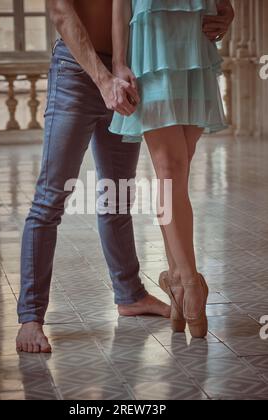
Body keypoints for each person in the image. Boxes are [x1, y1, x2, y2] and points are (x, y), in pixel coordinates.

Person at [16, 0, 234, 353]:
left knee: (117, 196)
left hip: (132, 68)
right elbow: (60, 12)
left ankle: (130, 295)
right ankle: (30, 318)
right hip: (78, 70)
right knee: (50, 199)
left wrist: (226, 10)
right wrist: (104, 79)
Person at [109, 0, 234, 338]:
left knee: (175, 175)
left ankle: (179, 282)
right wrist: (119, 63)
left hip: (195, 41)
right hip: (151, 45)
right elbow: (119, 5)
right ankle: (192, 285)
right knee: (169, 170)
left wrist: (228, 11)